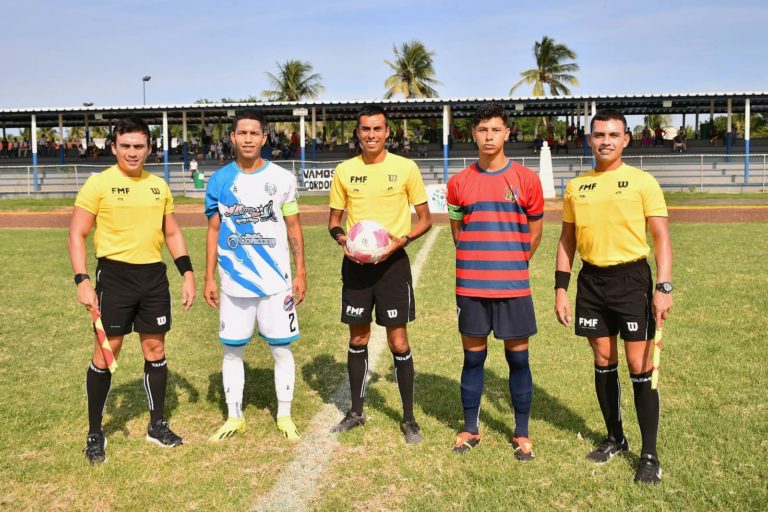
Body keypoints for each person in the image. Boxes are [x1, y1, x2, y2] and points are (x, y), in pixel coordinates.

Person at [68, 116, 196, 464]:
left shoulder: (159, 186)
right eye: (125, 145)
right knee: (107, 353)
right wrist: (82, 280)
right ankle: (95, 433)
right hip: (115, 276)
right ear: (113, 147)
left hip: (153, 277)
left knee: (155, 348)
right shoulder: (99, 184)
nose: (132, 152)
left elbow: (172, 232)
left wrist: (187, 273)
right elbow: (77, 233)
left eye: (139, 146)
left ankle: (157, 426)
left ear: (149, 148)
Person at [554, 110, 673, 485]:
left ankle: (649, 455)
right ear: (589, 139)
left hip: (632, 279)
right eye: (599, 135)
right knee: (603, 360)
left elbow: (661, 238)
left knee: (639, 365)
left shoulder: (642, 182)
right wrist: (561, 288)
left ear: (625, 140)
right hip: (592, 281)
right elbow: (567, 241)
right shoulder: (576, 187)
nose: (606, 141)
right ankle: (615, 437)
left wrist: (663, 287)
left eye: (613, 135)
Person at [327, 104, 432, 443]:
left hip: (393, 265)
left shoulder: (405, 168)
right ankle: (356, 412)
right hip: (356, 267)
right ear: (357, 133)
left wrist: (401, 241)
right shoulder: (344, 171)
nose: (371, 135)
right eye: (365, 129)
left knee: (398, 340)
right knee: (358, 338)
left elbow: (426, 220)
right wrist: (343, 241)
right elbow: (334, 222)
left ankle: (409, 419)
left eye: (377, 129)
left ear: (387, 132)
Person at [446, 103, 544, 460]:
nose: (489, 136)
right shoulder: (458, 183)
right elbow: (457, 231)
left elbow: (535, 234)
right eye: (483, 130)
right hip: (471, 286)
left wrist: (511, 262)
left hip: (513, 287)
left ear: (507, 133)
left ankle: (521, 433)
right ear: (474, 134)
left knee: (519, 361)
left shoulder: (526, 179)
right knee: (473, 360)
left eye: (496, 130)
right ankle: (470, 428)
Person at [204, 109, 306, 442]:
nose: (248, 139)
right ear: (232, 138)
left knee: (281, 350)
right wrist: (208, 277)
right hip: (234, 283)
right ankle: (235, 417)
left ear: (264, 138)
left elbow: (294, 227)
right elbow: (213, 230)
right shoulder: (219, 181)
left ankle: (284, 415)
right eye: (242, 133)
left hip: (276, 283)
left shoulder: (282, 178)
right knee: (232, 351)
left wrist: (301, 271)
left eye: (254, 133)